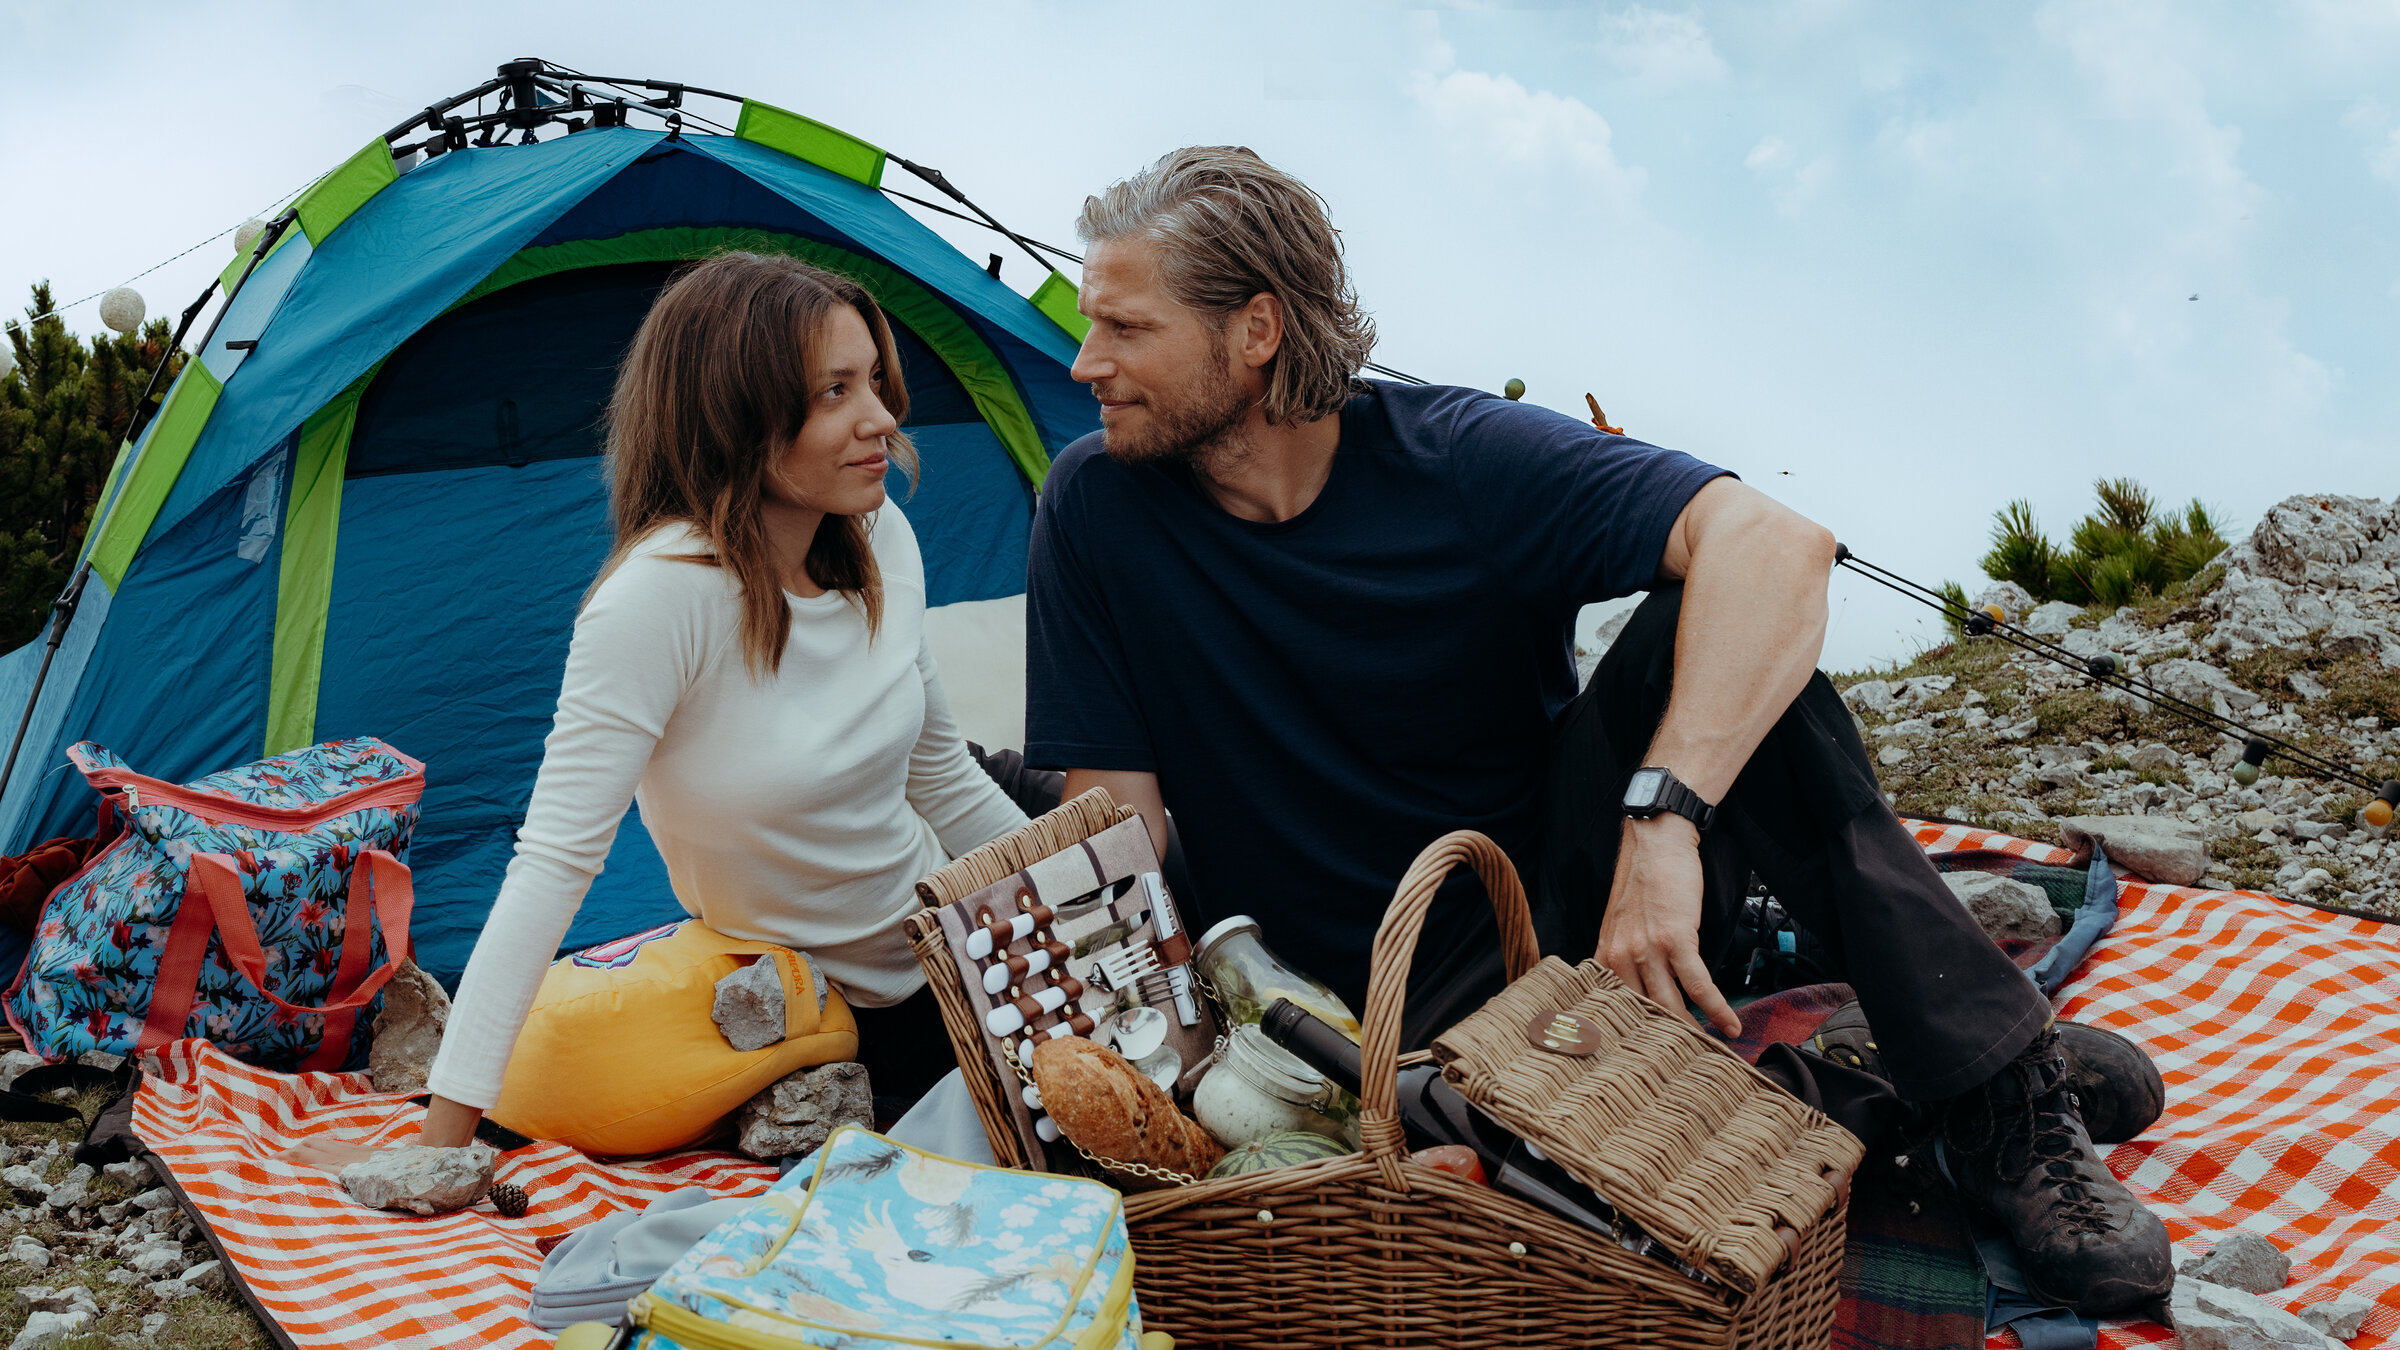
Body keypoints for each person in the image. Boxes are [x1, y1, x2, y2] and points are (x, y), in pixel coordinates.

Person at [1024, 147, 2173, 1316]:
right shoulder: (1095, 508)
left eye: (1123, 328)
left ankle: (2005, 1101)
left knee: (1707, 625)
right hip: (1339, 1013)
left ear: (1255, 330)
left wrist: (1664, 824)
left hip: (1561, 926)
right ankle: (1931, 1085)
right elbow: (1113, 827)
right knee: (1512, 1202)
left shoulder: (1457, 460)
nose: (1085, 364)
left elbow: (1777, 545)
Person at [383, 251, 1029, 1152]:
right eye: (835, 392)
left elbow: (943, 781)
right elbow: (554, 865)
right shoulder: (659, 599)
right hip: (815, 1010)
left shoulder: (881, 535)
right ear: (735, 414)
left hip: (953, 946)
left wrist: (1080, 924)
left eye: (875, 382)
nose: (881, 419)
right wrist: (441, 1136)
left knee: (1155, 870)